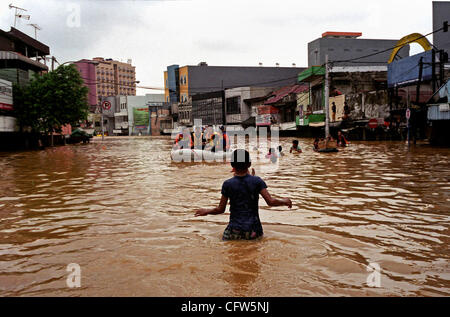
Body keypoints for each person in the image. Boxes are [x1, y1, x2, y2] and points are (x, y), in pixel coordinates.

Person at [194, 149, 292, 240]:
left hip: (234, 231)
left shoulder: (228, 184)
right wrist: (284, 201)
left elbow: (220, 209)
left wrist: (206, 211)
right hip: (253, 230)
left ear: (232, 165)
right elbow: (270, 202)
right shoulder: (257, 181)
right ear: (249, 164)